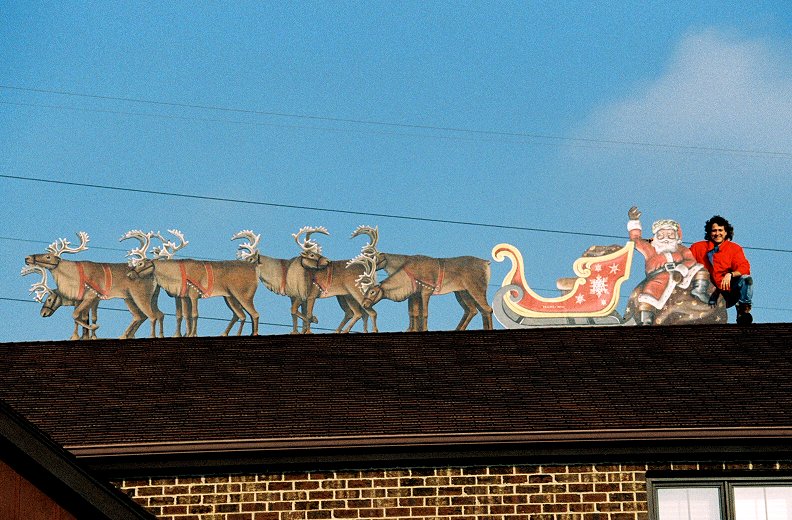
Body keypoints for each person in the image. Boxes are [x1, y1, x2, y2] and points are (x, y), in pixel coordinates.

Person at [627, 207, 710, 326]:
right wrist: (634, 221)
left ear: (676, 237)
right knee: (649, 292)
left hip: (681, 273)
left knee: (699, 269)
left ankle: (699, 290)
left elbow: (690, 260)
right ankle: (646, 319)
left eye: (670, 235)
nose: (666, 238)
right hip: (659, 276)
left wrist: (681, 270)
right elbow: (635, 240)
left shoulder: (680, 249)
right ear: (655, 237)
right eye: (661, 235)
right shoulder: (650, 249)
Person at [690, 215, 753, 325]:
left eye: (720, 230)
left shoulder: (734, 248)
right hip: (707, 291)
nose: (717, 233)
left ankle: (743, 310)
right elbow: (680, 256)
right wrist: (657, 243)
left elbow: (744, 267)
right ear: (709, 233)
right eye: (714, 230)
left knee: (747, 280)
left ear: (726, 233)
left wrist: (730, 274)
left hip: (729, 290)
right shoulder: (698, 247)